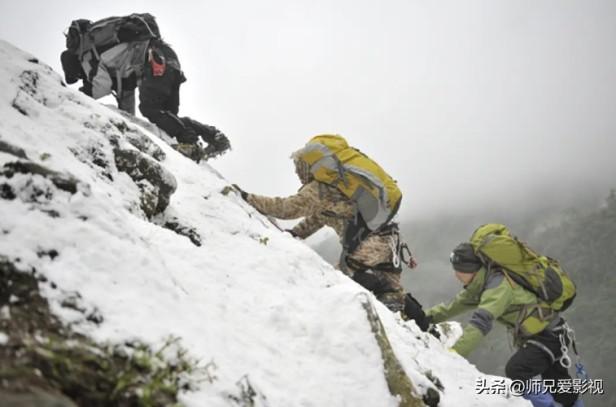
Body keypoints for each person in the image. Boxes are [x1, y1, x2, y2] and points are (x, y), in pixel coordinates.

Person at [234, 135, 428, 325]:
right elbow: (318, 219)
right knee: (395, 305)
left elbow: (287, 208)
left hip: (371, 245)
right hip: (388, 243)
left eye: (298, 168)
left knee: (343, 279)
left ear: (308, 166)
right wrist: (295, 234)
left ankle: (394, 300)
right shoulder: (341, 189)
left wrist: (248, 198)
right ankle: (423, 325)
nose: (296, 173)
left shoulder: (321, 189)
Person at [426, 240, 583, 407]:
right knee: (561, 390)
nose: (456, 274)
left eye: (458, 270)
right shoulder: (481, 286)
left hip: (548, 336)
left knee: (517, 370)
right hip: (550, 334)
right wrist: (422, 316)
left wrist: (453, 355)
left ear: (471, 269)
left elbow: (480, 323)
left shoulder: (498, 286)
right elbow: (451, 307)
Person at [61, 17, 229, 162]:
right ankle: (214, 136)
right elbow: (126, 97)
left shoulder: (88, 56)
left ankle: (192, 145)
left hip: (154, 60)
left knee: (151, 109)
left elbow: (101, 88)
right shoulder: (113, 56)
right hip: (166, 56)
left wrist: (81, 95)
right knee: (166, 119)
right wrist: (127, 125)